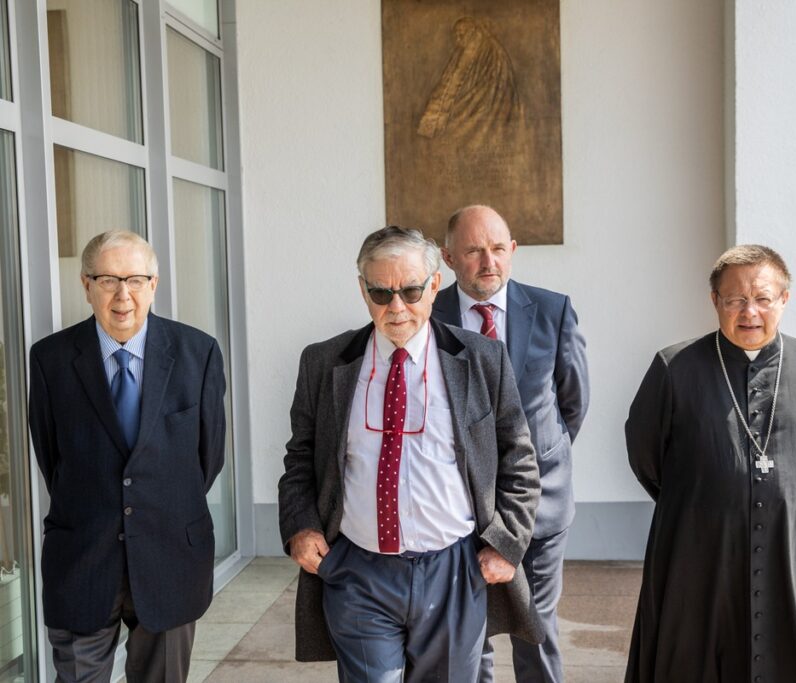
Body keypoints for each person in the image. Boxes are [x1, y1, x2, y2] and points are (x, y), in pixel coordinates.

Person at [278, 226, 542, 682]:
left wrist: (506, 543)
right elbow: (300, 456)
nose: (396, 307)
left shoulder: (481, 359)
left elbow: (519, 459)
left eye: (411, 291)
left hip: (453, 570)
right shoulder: (324, 363)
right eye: (381, 293)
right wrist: (301, 526)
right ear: (363, 290)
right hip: (359, 570)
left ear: (435, 285)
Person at [624, 245, 796, 682]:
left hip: (790, 549)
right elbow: (645, 455)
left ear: (784, 299)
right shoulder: (674, 367)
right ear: (715, 302)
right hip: (698, 550)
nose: (750, 311)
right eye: (735, 300)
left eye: (763, 298)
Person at [28, 230, 226, 682]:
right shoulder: (51, 359)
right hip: (82, 556)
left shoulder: (198, 353)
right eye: (108, 280)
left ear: (154, 284)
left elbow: (207, 457)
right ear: (86, 285)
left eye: (136, 280)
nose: (123, 295)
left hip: (171, 554)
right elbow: (52, 455)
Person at [432, 205, 590, 683]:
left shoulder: (552, 309)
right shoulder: (427, 314)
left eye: (499, 249)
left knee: (535, 632)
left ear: (513, 251)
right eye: (474, 251)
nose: (489, 262)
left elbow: (572, 403)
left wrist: (535, 457)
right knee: (466, 636)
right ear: (448, 257)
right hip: (456, 509)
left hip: (541, 505)